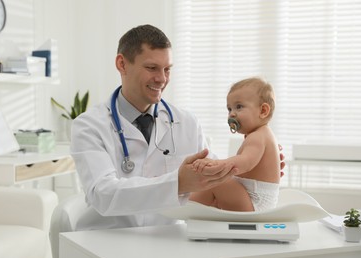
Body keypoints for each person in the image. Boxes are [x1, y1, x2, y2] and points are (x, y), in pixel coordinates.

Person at [70, 25, 284, 231]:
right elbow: (102, 194)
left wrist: (259, 169)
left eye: (167, 69)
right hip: (106, 241)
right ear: (122, 64)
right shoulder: (89, 126)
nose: (162, 79)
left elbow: (215, 176)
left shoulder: (187, 122)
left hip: (168, 240)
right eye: (152, 68)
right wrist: (179, 182)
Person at [189, 77, 281, 212]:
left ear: (263, 111)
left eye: (239, 107)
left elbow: (245, 162)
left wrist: (217, 164)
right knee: (215, 183)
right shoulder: (259, 135)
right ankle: (192, 205)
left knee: (217, 181)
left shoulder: (258, 136)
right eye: (229, 108)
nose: (232, 113)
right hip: (250, 196)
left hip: (255, 201)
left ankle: (188, 206)